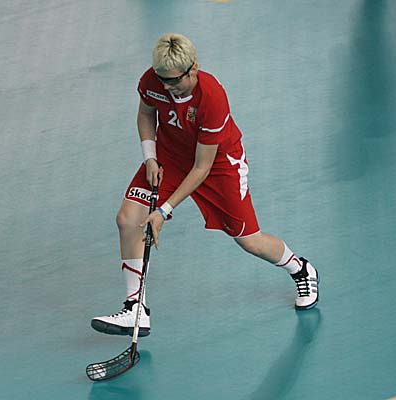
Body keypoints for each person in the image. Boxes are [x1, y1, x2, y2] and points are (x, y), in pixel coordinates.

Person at [91, 33, 319, 337]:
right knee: (128, 219)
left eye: (174, 81)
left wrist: (163, 210)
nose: (168, 87)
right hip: (170, 157)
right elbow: (146, 113)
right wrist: (150, 157)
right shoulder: (153, 80)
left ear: (193, 68)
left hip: (218, 165)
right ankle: (136, 309)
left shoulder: (212, 97)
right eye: (163, 80)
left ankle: (300, 268)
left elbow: (202, 167)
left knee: (249, 240)